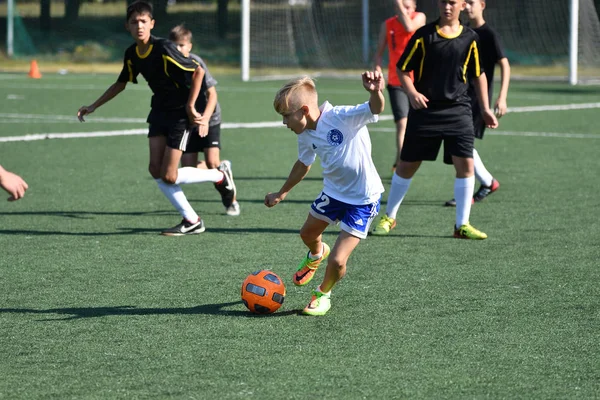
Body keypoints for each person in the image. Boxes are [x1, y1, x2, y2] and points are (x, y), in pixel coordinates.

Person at [77, 0, 236, 236]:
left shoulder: (164, 47)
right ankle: (192, 220)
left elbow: (198, 71)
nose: (139, 25)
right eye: (134, 22)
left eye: (143, 21)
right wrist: (93, 106)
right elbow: (121, 83)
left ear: (152, 23)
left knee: (170, 175)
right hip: (159, 111)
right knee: (155, 169)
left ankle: (219, 176)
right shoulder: (132, 54)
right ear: (127, 26)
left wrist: (192, 106)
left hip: (180, 114)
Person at [372, 0, 498, 240]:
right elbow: (402, 69)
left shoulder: (470, 37)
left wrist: (485, 108)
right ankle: (389, 216)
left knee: (466, 166)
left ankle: (462, 225)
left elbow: (478, 74)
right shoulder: (423, 36)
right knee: (407, 165)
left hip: (459, 110)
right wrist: (412, 93)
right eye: (443, 2)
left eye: (452, 2)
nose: (447, 7)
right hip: (426, 111)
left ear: (462, 5)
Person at [265, 71, 385, 316]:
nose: (284, 123)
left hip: (363, 200)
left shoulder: (341, 116)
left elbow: (375, 108)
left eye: (286, 117)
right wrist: (282, 192)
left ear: (305, 111)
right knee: (307, 233)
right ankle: (316, 253)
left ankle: (323, 293)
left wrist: (375, 92)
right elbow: (303, 164)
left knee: (339, 261)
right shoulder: (305, 133)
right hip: (333, 194)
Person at [169, 24, 240, 216]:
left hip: (210, 117)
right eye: (174, 45)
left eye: (182, 45)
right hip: (189, 120)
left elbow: (212, 94)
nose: (179, 49)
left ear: (189, 46)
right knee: (189, 168)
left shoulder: (196, 63)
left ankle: (231, 201)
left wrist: (206, 119)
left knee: (211, 162)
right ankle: (222, 169)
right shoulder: (169, 65)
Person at [444, 0, 510, 206]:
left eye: (472, 2)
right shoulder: (463, 31)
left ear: (482, 5)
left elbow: (504, 64)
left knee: (462, 144)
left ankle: (475, 188)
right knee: (457, 144)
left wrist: (502, 96)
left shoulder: (489, 34)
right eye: (466, 3)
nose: (468, 7)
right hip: (459, 95)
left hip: (476, 99)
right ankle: (487, 182)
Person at [373, 0, 426, 170]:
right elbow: (379, 52)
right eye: (400, 6)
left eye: (407, 6)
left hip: (418, 80)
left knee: (418, 123)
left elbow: (409, 27)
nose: (404, 9)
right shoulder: (387, 24)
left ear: (414, 7)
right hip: (396, 81)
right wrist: (377, 70)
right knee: (402, 123)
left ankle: (404, 157)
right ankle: (402, 160)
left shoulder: (419, 17)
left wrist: (399, 2)